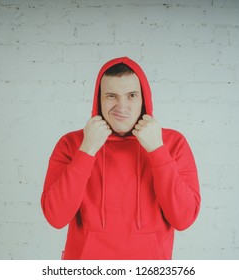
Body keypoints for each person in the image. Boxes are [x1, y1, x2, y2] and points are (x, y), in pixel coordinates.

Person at [41, 57, 201, 260]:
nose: (121, 106)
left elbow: (184, 219)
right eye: (111, 96)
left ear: (144, 99)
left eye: (131, 95)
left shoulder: (172, 143)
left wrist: (157, 151)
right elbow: (56, 217)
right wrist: (87, 150)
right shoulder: (72, 144)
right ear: (98, 100)